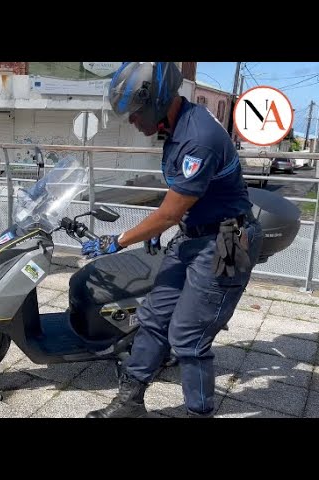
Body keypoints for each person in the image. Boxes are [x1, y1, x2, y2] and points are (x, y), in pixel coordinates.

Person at [82, 62, 263, 418]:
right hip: (195, 232)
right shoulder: (180, 124)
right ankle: (130, 402)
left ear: (156, 103)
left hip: (231, 238)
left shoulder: (197, 139)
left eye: (135, 114)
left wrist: (118, 241)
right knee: (153, 316)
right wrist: (164, 228)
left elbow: (167, 212)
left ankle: (198, 413)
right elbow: (179, 201)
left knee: (188, 338)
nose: (133, 122)